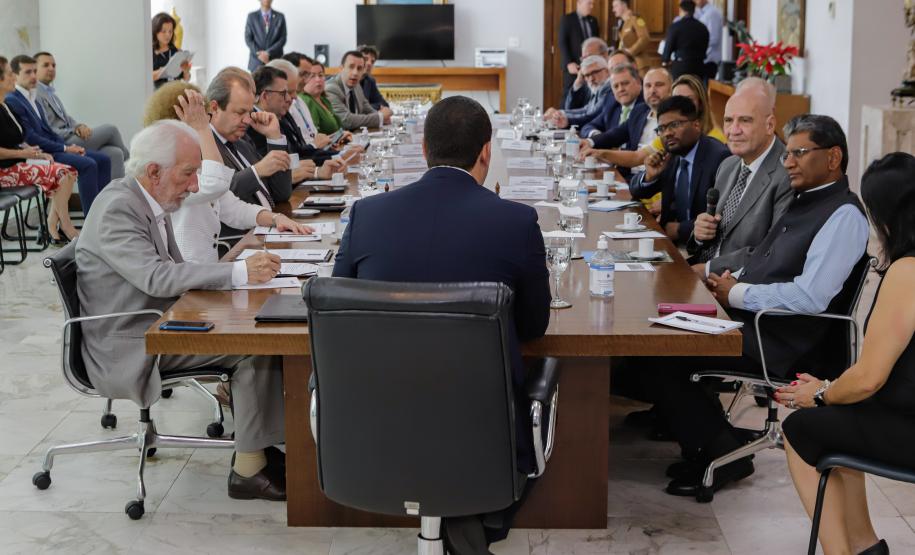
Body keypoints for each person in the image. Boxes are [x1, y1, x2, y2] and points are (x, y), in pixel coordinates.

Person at [333, 95, 551, 552]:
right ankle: (470, 521)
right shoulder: (516, 221)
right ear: (486, 152)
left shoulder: (368, 214)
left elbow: (342, 312)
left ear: (423, 149)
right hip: (481, 429)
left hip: (370, 419)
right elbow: (534, 326)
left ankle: (457, 524)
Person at [641, 114, 869, 499]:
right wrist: (727, 278)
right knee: (658, 328)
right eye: (788, 153)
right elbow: (769, 259)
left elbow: (811, 297)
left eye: (799, 152)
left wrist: (737, 294)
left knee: (667, 352)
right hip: (754, 321)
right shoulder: (806, 199)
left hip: (784, 339)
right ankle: (708, 442)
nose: (788, 162)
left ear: (833, 158)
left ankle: (724, 452)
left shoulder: (843, 215)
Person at [76, 119, 288, 501]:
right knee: (258, 343)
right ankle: (249, 468)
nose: (194, 186)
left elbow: (169, 271)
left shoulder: (145, 197)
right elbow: (158, 278)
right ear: (153, 171)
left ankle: (261, 445)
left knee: (260, 328)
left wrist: (232, 275)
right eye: (189, 174)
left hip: (156, 320)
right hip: (129, 340)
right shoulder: (118, 208)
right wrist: (236, 271)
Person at [777, 152, 915, 555]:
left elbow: (871, 377)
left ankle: (846, 552)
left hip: (908, 425)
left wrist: (818, 394)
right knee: (842, 416)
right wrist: (831, 389)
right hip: (901, 412)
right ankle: (865, 547)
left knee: (801, 430)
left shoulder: (908, 270)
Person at [142, 80, 311, 263]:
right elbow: (216, 184)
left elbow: (233, 208)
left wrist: (276, 218)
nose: (208, 120)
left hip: (206, 271)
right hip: (186, 277)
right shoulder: (168, 169)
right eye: (204, 115)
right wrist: (202, 128)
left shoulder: (193, 160)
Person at [688, 77, 793, 275]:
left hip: (738, 287)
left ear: (770, 125)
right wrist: (700, 235)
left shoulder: (787, 173)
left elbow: (771, 252)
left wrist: (707, 269)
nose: (733, 130)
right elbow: (711, 236)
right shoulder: (728, 165)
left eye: (745, 120)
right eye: (728, 120)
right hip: (703, 273)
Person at [5, 55, 111, 216]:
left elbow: (48, 131)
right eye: (28, 72)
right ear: (15, 75)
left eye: (34, 71)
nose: (34, 76)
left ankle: (105, 213)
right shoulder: (13, 100)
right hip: (41, 153)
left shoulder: (33, 97)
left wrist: (68, 147)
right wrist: (64, 148)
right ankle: (93, 219)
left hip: (53, 148)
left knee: (104, 159)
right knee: (88, 164)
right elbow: (31, 137)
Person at [629, 95, 730, 244]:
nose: (667, 133)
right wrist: (649, 176)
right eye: (661, 129)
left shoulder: (718, 157)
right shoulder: (671, 156)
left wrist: (680, 230)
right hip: (669, 241)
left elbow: (723, 215)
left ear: (696, 125)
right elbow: (637, 191)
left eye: (674, 125)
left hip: (701, 247)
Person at [0, 55, 78, 243]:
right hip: (4, 170)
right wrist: (24, 154)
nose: (13, 77)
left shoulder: (4, 105)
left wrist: (36, 153)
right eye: (10, 74)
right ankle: (64, 226)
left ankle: (51, 224)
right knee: (62, 173)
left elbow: (19, 138)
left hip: (18, 163)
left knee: (70, 171)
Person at [205, 67, 291, 233]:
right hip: (240, 243)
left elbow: (281, 193)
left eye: (249, 112)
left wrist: (274, 137)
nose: (247, 120)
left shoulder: (242, 144)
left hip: (270, 230)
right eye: (240, 112)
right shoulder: (204, 147)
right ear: (214, 107)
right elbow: (216, 197)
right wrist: (256, 171)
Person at [34, 51, 128, 179]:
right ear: (35, 69)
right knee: (111, 130)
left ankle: (115, 197)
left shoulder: (51, 93)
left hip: (70, 137)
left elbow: (67, 119)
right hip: (62, 142)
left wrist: (79, 126)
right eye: (46, 65)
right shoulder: (35, 95)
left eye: (54, 65)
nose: (51, 68)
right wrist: (74, 130)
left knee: (115, 153)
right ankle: (132, 160)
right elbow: (47, 129)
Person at [249, 66, 343, 183]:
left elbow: (297, 155)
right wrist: (315, 172)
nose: (290, 99)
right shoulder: (252, 126)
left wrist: (321, 168)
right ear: (265, 96)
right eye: (284, 93)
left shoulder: (280, 116)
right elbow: (273, 176)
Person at [266, 58, 356, 154]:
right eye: (304, 74)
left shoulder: (300, 101)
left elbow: (313, 138)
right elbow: (299, 152)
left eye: (320, 75)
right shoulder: (286, 107)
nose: (307, 80)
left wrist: (335, 141)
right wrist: (337, 154)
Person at [325, 51, 393, 131]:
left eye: (359, 68)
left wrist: (382, 118)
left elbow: (367, 108)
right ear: (341, 68)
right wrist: (380, 117)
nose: (355, 73)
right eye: (351, 67)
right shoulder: (331, 89)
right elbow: (347, 121)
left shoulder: (356, 86)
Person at [581, 64, 645, 142]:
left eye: (625, 83)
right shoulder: (611, 104)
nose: (621, 89)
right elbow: (588, 127)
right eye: (616, 86)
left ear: (638, 82)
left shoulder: (646, 105)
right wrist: (596, 135)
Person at [548, 56, 613, 130]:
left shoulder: (610, 88)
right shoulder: (599, 88)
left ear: (607, 71)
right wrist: (561, 113)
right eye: (587, 75)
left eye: (594, 72)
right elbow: (586, 110)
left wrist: (566, 120)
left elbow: (593, 115)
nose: (591, 79)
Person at [551, 37, 610, 113]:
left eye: (590, 57)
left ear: (604, 55)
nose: (586, 62)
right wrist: (578, 83)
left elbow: (591, 115)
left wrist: (562, 114)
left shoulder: (615, 80)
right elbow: (570, 109)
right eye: (583, 59)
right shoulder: (586, 79)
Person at [559, 0, 600, 94]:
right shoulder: (567, 19)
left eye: (593, 4)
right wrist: (569, 63)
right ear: (579, 3)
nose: (592, 6)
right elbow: (562, 42)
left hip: (591, 67)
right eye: (589, 3)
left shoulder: (593, 21)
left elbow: (596, 43)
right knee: (570, 96)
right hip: (574, 68)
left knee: (588, 96)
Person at [662, 1, 710, 80]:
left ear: (681, 10)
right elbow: (705, 45)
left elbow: (668, 47)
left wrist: (665, 60)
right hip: (698, 66)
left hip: (681, 66)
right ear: (694, 11)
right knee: (696, 90)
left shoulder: (675, 27)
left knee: (679, 90)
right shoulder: (703, 27)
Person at [300, 61, 345, 136]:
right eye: (312, 76)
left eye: (320, 75)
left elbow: (338, 128)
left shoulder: (324, 100)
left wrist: (343, 135)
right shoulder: (306, 100)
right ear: (304, 80)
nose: (318, 79)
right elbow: (315, 136)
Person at [244, 0, 286, 71]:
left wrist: (268, 53)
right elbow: (248, 38)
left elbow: (282, 39)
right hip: (256, 62)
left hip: (275, 61)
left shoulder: (280, 17)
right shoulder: (252, 17)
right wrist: (260, 54)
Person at [151, 12, 190, 89]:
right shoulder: (149, 53)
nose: (168, 35)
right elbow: (145, 78)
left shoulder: (176, 51)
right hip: (158, 96)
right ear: (155, 31)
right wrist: (163, 71)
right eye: (164, 31)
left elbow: (186, 79)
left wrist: (186, 71)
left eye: (170, 31)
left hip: (175, 92)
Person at [612, 0, 652, 74]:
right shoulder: (621, 23)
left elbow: (645, 38)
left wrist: (630, 52)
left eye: (615, 6)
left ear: (624, 5)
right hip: (627, 64)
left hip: (639, 64)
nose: (613, 10)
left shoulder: (636, 19)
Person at [695, 0, 723, 78]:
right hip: (702, 60)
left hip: (710, 60)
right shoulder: (700, 13)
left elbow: (714, 39)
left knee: (705, 88)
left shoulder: (712, 13)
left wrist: (695, 44)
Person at [358, 45, 389, 110]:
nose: (369, 63)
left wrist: (370, 107)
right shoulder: (348, 80)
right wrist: (375, 107)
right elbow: (354, 108)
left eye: (372, 61)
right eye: (365, 59)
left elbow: (384, 104)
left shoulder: (370, 81)